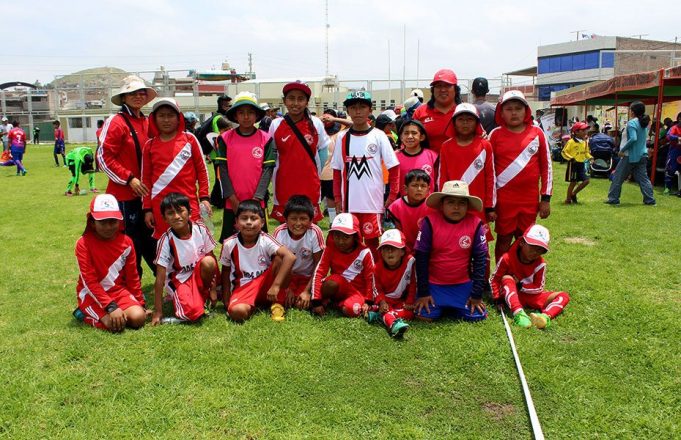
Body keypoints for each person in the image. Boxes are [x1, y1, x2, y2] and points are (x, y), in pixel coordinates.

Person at [98, 75, 158, 276]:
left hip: (147, 196)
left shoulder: (148, 122)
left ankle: (166, 284)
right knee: (129, 244)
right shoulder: (116, 122)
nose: (138, 96)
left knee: (152, 241)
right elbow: (103, 157)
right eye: (132, 93)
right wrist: (129, 178)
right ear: (123, 97)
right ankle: (130, 289)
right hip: (124, 197)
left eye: (141, 93)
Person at [332, 90, 400, 256]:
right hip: (349, 204)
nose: (358, 111)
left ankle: (372, 278)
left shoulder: (379, 136)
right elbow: (337, 171)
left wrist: (392, 196)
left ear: (370, 110)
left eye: (362, 107)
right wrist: (338, 198)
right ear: (348, 111)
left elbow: (394, 168)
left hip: (372, 203)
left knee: (372, 244)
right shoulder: (342, 137)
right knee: (349, 244)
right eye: (353, 107)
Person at [489, 90, 552, 262]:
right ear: (501, 112)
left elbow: (547, 167)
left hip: (529, 200)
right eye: (509, 109)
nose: (514, 112)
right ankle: (501, 276)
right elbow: (489, 172)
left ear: (526, 111)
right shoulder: (495, 135)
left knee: (525, 240)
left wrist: (545, 198)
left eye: (518, 108)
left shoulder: (537, 133)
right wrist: (491, 204)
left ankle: (521, 276)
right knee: (503, 239)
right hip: (504, 200)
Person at [413, 180, 488, 322]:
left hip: (462, 283)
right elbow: (421, 258)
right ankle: (444, 305)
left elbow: (480, 261)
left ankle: (452, 305)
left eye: (462, 203)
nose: (456, 207)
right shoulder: (429, 222)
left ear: (467, 206)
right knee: (424, 316)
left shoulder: (476, 223)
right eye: (451, 202)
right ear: (442, 205)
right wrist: (423, 292)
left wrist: (476, 295)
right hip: (434, 284)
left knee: (477, 316)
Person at [74, 194, 147, 332]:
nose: (108, 227)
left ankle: (118, 313)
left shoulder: (127, 242)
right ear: (92, 222)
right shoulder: (83, 244)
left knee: (138, 318)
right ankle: (82, 312)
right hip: (91, 295)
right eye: (102, 222)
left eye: (113, 221)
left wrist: (140, 303)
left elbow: (133, 277)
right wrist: (111, 307)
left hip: (118, 292)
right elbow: (89, 281)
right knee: (114, 325)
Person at [141, 98, 211, 241]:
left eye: (170, 115)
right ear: (154, 119)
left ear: (179, 118)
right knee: (167, 247)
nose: (166, 120)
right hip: (160, 206)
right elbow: (146, 180)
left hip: (189, 204)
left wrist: (204, 198)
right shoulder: (149, 145)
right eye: (161, 116)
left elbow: (202, 171)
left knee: (196, 244)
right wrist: (147, 209)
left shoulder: (189, 139)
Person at [219, 200, 296, 322]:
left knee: (280, 258)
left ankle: (278, 304)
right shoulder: (229, 244)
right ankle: (252, 305)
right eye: (244, 218)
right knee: (237, 312)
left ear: (262, 222)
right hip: (244, 288)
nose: (249, 222)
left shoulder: (265, 239)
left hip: (267, 286)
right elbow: (226, 271)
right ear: (236, 222)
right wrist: (226, 298)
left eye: (253, 218)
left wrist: (275, 286)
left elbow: (290, 257)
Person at [215, 92, 276, 241]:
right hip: (232, 203)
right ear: (235, 116)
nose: (246, 116)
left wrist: (257, 198)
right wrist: (233, 199)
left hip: (257, 203)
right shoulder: (225, 138)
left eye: (250, 112)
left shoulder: (266, 139)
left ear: (257, 115)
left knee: (260, 245)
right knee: (230, 245)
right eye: (241, 113)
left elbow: (267, 170)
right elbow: (222, 170)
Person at [152, 193, 218, 325]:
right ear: (164, 218)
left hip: (200, 275)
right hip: (180, 281)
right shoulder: (165, 241)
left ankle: (205, 295)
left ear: (190, 212)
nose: (176, 216)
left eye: (180, 211)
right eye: (170, 213)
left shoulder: (201, 229)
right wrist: (158, 312)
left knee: (209, 261)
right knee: (193, 312)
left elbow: (211, 258)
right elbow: (159, 279)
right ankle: (183, 301)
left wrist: (214, 289)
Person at [268, 81, 330, 223]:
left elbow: (323, 151)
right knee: (285, 226)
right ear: (284, 101)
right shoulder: (275, 124)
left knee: (308, 225)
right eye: (291, 98)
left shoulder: (315, 123)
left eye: (300, 99)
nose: (295, 103)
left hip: (310, 184)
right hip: (283, 183)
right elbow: (272, 154)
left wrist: (315, 174)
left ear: (307, 102)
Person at [491, 224, 570, 329]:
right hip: (510, 295)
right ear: (522, 243)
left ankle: (544, 317)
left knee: (564, 295)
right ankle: (519, 314)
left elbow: (539, 287)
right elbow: (494, 280)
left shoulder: (541, 264)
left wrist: (521, 285)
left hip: (530, 296)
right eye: (533, 247)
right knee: (507, 278)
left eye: (540, 250)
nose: (535, 252)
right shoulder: (507, 258)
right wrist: (497, 298)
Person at [439, 104, 496, 235]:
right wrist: (442, 202)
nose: (465, 123)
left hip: (477, 205)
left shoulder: (485, 145)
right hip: (453, 203)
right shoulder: (446, 147)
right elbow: (442, 176)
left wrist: (490, 206)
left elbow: (490, 177)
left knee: (479, 240)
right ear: (454, 122)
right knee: (453, 237)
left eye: (469, 119)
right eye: (461, 119)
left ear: (476, 122)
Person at [310, 213, 376, 318]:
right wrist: (316, 301)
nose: (340, 241)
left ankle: (336, 303)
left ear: (355, 236)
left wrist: (368, 301)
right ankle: (325, 301)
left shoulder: (365, 252)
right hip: (338, 285)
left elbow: (371, 278)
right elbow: (320, 272)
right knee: (331, 283)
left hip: (357, 292)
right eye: (337, 236)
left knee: (351, 310)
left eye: (346, 237)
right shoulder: (330, 248)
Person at [272, 195, 325, 315]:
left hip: (307, 278)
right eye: (293, 218)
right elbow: (274, 263)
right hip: (286, 277)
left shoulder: (315, 232)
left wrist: (307, 291)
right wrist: (287, 287)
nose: (298, 223)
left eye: (303, 218)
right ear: (285, 219)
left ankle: (305, 295)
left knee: (301, 304)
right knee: (285, 300)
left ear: (311, 220)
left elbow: (319, 265)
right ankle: (284, 293)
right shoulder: (279, 232)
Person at [365, 229, 415, 338]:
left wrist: (410, 301)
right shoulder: (377, 268)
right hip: (384, 300)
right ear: (381, 252)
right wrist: (382, 302)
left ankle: (379, 315)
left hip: (400, 301)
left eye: (394, 248)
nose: (390, 251)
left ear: (402, 251)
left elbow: (413, 283)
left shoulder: (410, 262)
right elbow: (376, 288)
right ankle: (393, 324)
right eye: (386, 248)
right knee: (387, 310)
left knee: (410, 314)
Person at [606, 101, 656, 206]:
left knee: (618, 177)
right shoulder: (644, 123)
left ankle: (613, 198)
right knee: (643, 179)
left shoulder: (632, 123)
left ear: (632, 111)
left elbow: (633, 139)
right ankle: (650, 200)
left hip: (629, 155)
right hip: (642, 154)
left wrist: (622, 150)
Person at [412, 69, 461, 154]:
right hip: (428, 165)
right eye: (438, 86)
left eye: (447, 85)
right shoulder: (420, 112)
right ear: (433, 90)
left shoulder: (465, 112)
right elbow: (410, 138)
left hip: (459, 164)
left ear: (456, 89)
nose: (443, 90)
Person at [386, 169, 433, 253]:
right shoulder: (395, 207)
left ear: (428, 189)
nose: (419, 189)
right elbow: (394, 234)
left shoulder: (432, 206)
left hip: (427, 249)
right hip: (402, 250)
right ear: (405, 188)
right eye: (414, 185)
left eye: (423, 186)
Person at [395, 120, 438, 195]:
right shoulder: (394, 157)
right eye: (406, 133)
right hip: (403, 204)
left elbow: (438, 181)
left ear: (422, 137)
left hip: (427, 204)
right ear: (401, 137)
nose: (410, 136)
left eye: (414, 133)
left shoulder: (433, 156)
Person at [319, 108, 344, 222]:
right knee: (314, 200)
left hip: (331, 173)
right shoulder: (317, 130)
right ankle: (312, 221)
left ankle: (332, 222)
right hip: (316, 172)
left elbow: (352, 123)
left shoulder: (339, 133)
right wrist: (320, 119)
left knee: (331, 198)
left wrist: (334, 119)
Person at [561, 121, 593, 204]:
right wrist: (571, 158)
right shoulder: (571, 142)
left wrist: (590, 158)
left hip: (581, 164)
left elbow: (586, 152)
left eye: (586, 130)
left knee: (586, 181)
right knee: (573, 182)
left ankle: (573, 193)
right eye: (583, 130)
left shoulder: (585, 142)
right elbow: (564, 152)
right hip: (573, 164)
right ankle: (568, 199)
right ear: (576, 132)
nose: (585, 132)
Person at [664, 112, 681, 195]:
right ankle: (667, 188)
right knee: (671, 169)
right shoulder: (674, 128)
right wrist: (677, 137)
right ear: (679, 119)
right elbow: (668, 136)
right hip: (675, 151)